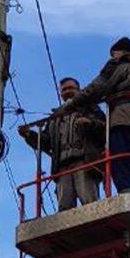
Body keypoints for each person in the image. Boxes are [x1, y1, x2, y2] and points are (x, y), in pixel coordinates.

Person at [56, 37, 130, 196]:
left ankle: (126, 197)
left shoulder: (117, 65)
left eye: (113, 54)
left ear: (119, 53)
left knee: (119, 161)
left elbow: (96, 88)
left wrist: (70, 105)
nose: (111, 57)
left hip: (122, 120)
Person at [19, 77, 106, 211]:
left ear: (79, 90)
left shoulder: (91, 109)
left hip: (85, 162)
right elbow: (46, 142)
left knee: (90, 203)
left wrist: (90, 123)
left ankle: (94, 229)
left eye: (71, 88)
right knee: (64, 207)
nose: (67, 91)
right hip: (62, 167)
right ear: (60, 93)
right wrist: (29, 135)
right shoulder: (56, 117)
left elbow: (104, 130)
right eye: (64, 89)